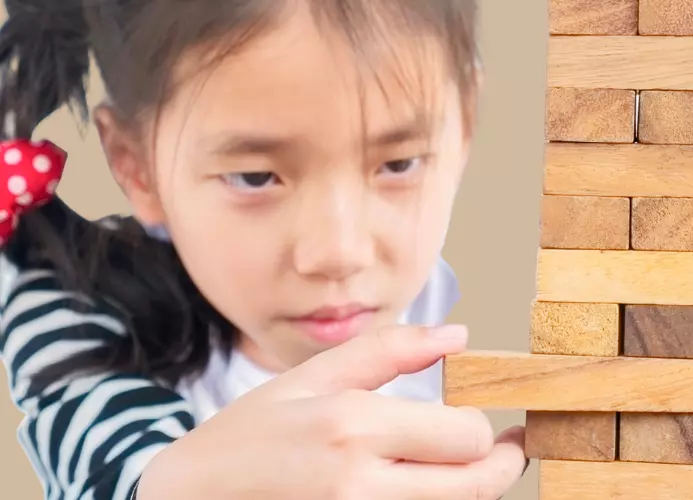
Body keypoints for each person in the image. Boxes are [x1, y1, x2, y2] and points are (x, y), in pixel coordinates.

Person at [0, 0, 529, 499]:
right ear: (135, 166)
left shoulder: (522, 297)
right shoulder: (78, 316)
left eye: (398, 165)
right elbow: (112, 468)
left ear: (465, 124)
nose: (338, 253)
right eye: (255, 177)